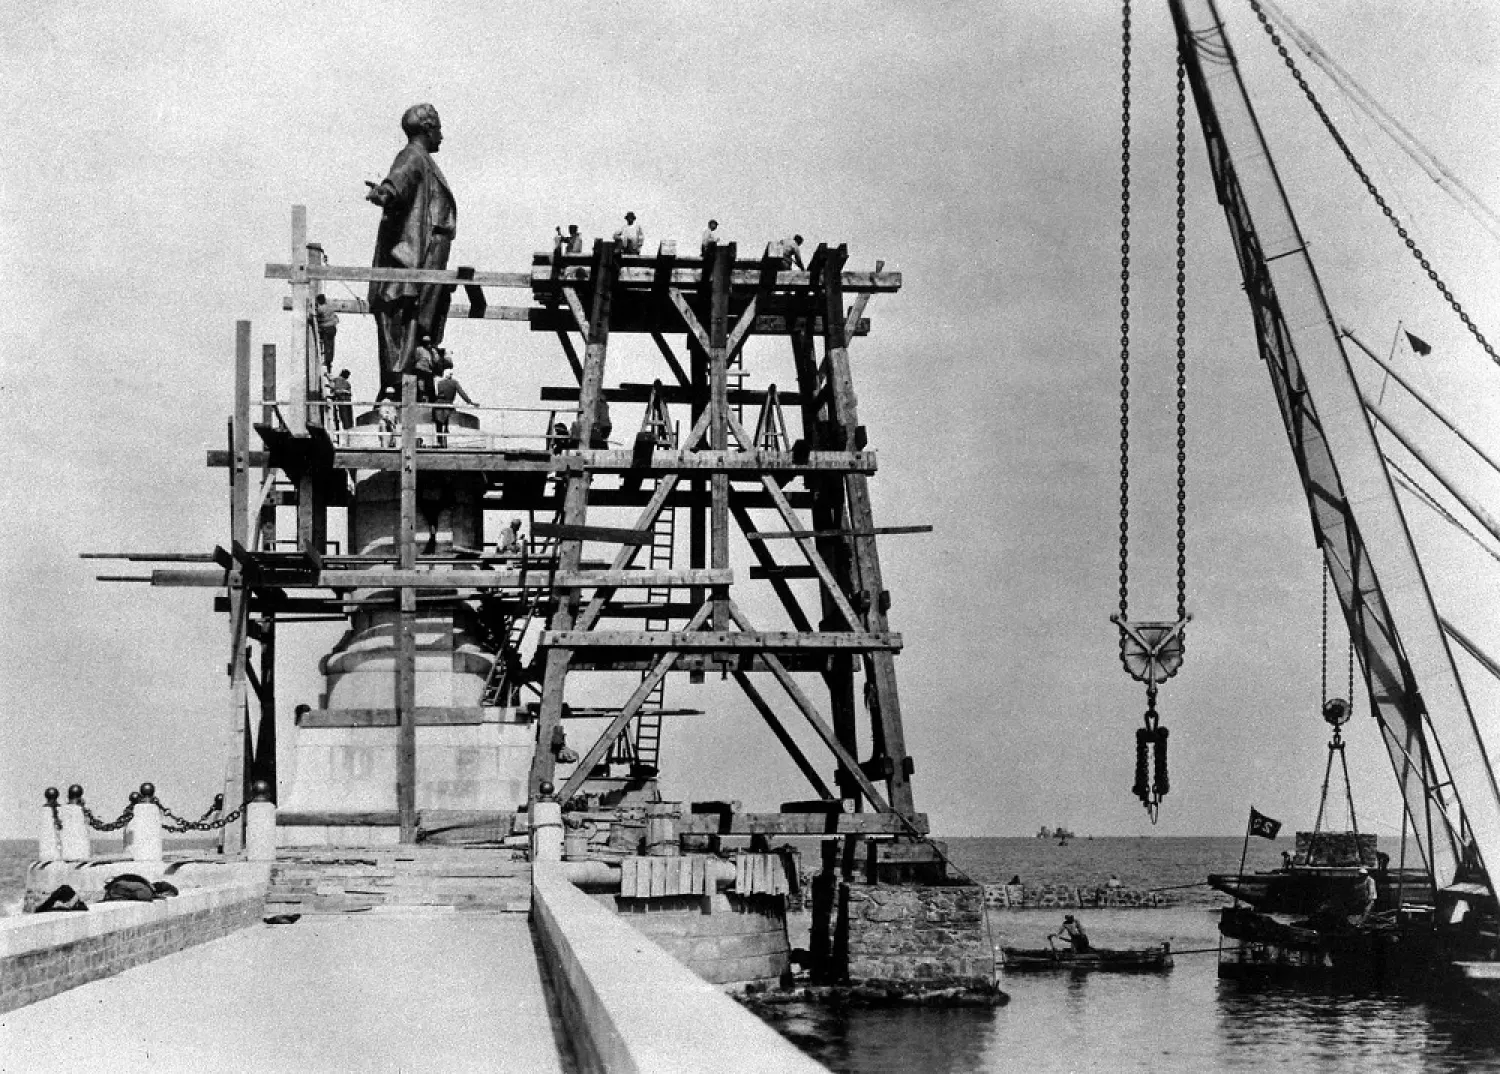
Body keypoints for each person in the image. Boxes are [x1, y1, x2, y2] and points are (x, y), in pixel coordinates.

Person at [366, 103, 456, 399]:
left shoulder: (425, 161)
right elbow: (398, 180)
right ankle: (399, 383)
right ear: (428, 129)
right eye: (439, 129)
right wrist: (385, 192)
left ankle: (411, 380)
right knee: (403, 317)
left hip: (427, 259)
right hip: (411, 257)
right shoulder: (413, 156)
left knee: (414, 321)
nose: (442, 136)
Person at [432, 363, 476, 448]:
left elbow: (437, 394)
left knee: (438, 423)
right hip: (448, 404)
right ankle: (445, 440)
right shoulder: (454, 383)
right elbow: (462, 393)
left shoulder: (439, 383)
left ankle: (439, 442)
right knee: (446, 421)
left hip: (438, 404)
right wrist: (470, 402)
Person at [314, 294, 339, 369]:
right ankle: (329, 361)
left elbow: (318, 317)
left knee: (326, 344)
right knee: (331, 345)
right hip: (333, 327)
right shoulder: (330, 306)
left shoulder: (320, 309)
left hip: (326, 328)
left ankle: (327, 361)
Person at [330, 368, 354, 437]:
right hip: (343, 401)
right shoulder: (339, 381)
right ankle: (348, 431)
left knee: (345, 417)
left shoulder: (338, 380)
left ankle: (347, 431)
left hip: (344, 401)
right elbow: (336, 390)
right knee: (346, 418)